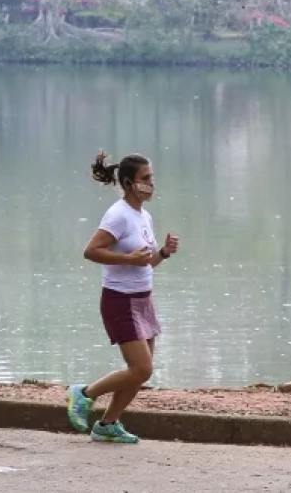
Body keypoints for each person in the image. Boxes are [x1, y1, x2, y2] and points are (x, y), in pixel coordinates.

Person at [66, 152, 180, 444]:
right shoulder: (118, 214)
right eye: (146, 179)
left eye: (152, 178)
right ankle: (84, 394)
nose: (151, 184)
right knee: (142, 368)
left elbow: (146, 262)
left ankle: (107, 425)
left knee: (138, 374)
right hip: (120, 301)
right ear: (129, 183)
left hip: (143, 299)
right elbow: (90, 251)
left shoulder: (143, 215)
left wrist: (163, 253)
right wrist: (128, 259)